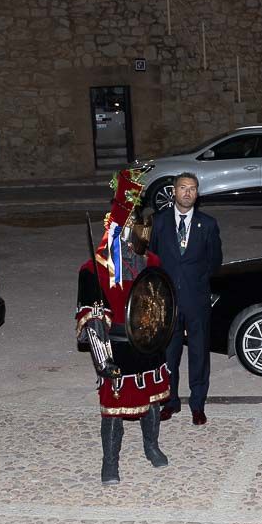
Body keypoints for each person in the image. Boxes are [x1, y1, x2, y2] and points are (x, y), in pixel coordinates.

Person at [76, 167, 171, 485]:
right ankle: (110, 463)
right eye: (127, 222)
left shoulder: (152, 263)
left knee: (153, 401)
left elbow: (161, 303)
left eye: (136, 221)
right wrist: (103, 361)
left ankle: (152, 447)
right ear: (116, 227)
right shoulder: (94, 270)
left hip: (148, 344)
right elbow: (90, 319)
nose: (133, 228)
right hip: (116, 347)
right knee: (114, 409)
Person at [149, 172, 222, 425]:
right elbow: (152, 259)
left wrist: (198, 282)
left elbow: (215, 261)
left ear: (197, 194)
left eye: (192, 188)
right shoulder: (158, 222)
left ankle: (198, 404)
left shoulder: (208, 224)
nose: (187, 193)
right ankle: (170, 401)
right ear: (174, 192)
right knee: (169, 354)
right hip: (168, 301)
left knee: (200, 354)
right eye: (183, 188)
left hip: (197, 300)